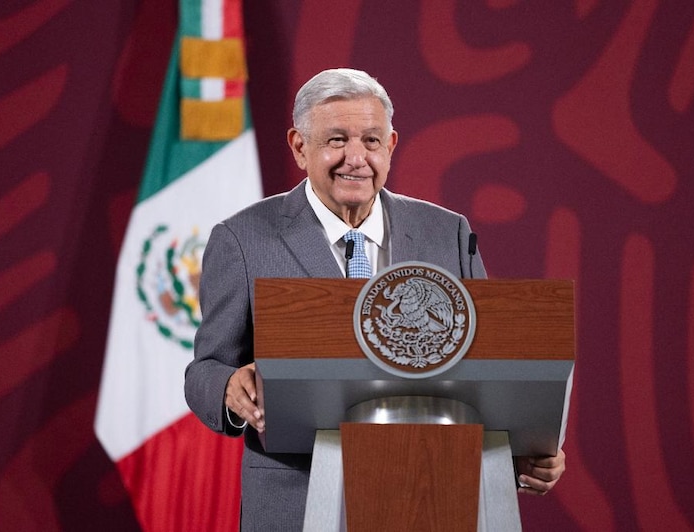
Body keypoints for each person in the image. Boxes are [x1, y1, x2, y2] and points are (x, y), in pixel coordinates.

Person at [185, 68, 566, 531]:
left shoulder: (448, 232)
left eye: (370, 140)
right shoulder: (244, 239)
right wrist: (228, 388)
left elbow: (485, 362)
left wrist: (521, 452)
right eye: (336, 140)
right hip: (298, 501)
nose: (356, 158)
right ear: (299, 147)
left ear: (390, 146)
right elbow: (205, 368)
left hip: (433, 493)